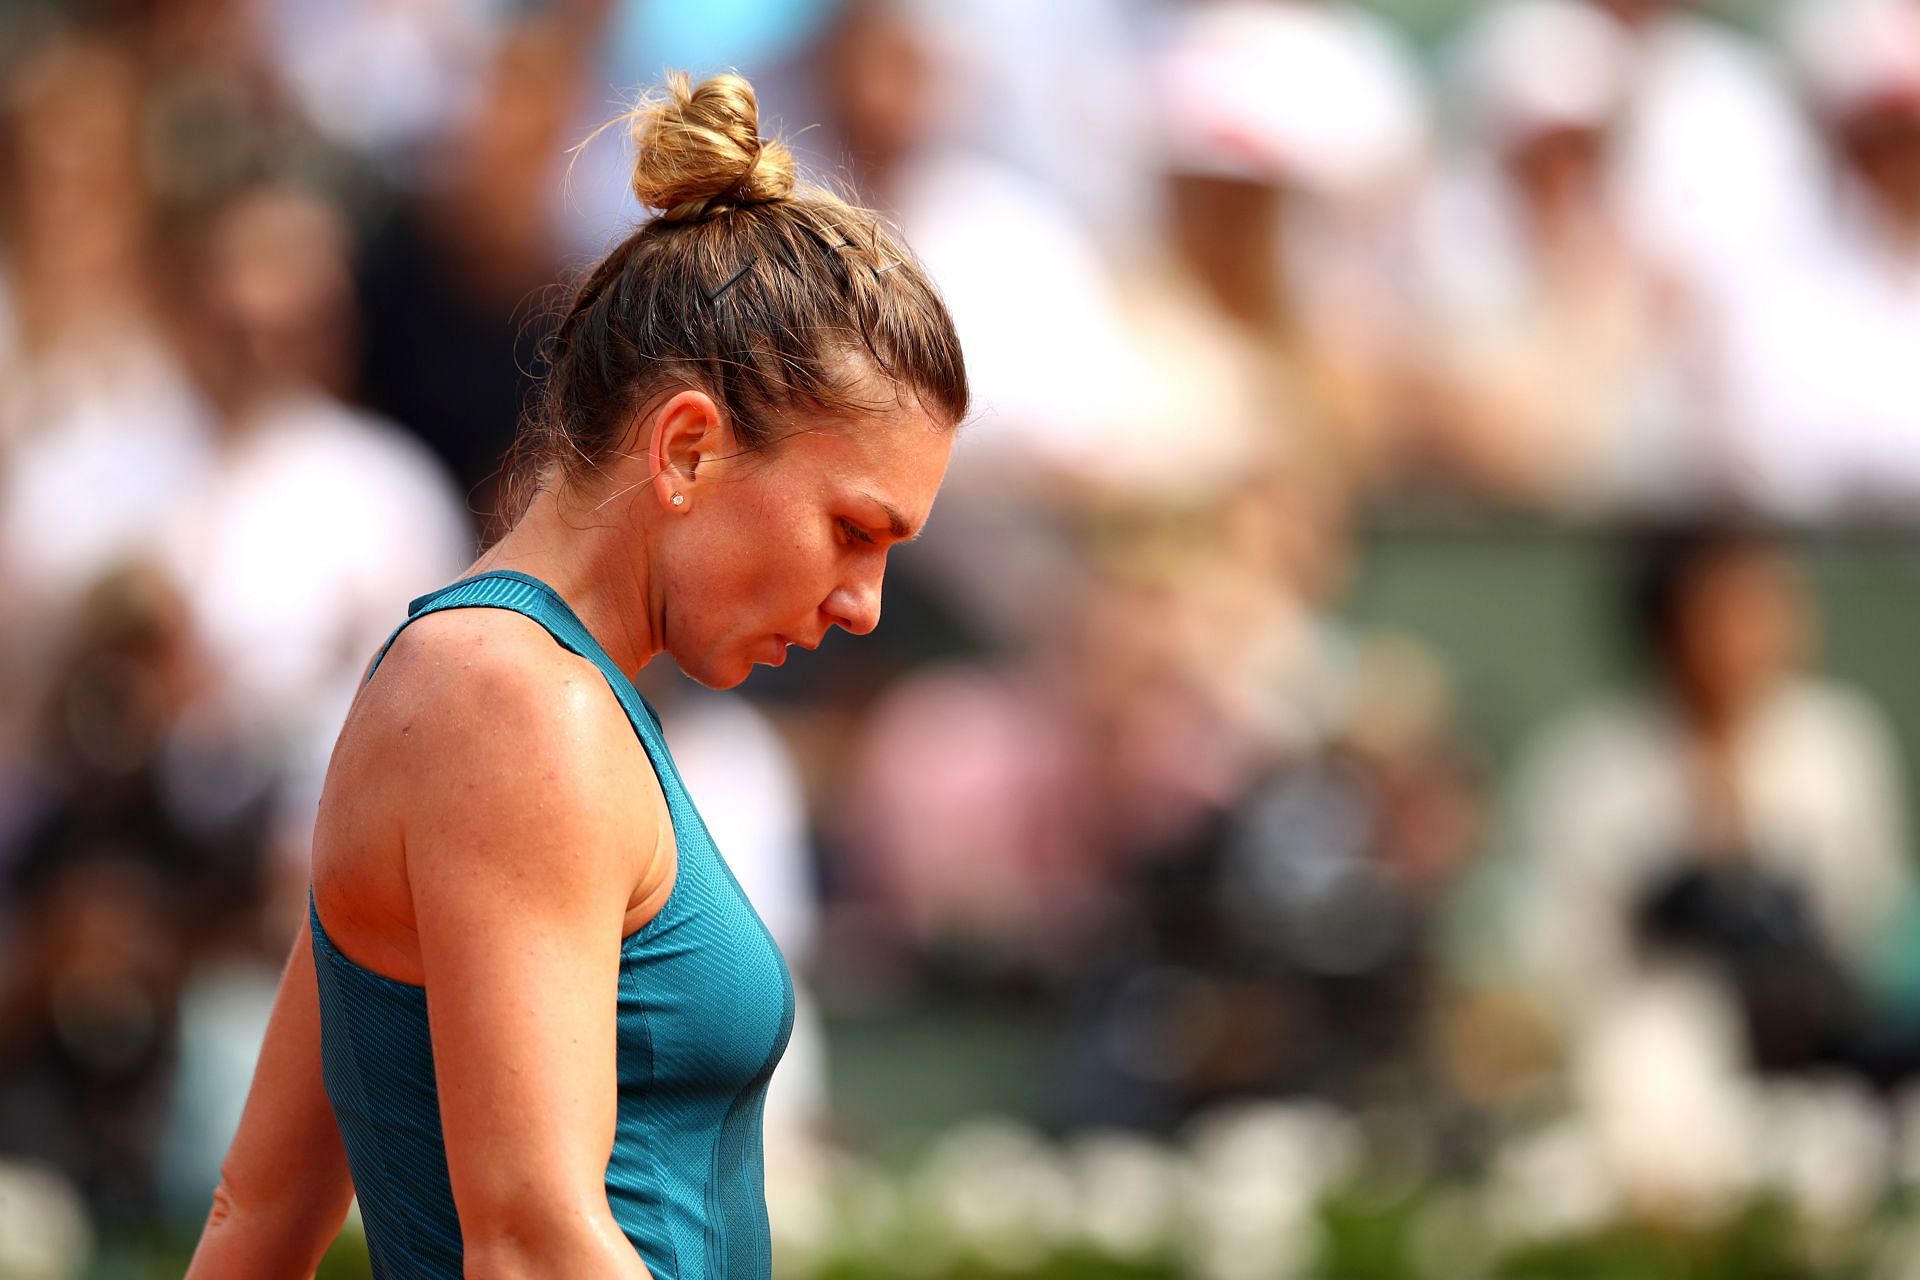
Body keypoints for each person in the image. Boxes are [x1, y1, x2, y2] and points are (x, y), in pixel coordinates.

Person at [184, 70, 967, 1278]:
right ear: (690, 447)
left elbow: (257, 1217)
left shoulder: (483, 684)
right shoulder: (514, 705)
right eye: (853, 529)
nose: (863, 605)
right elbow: (537, 1245)